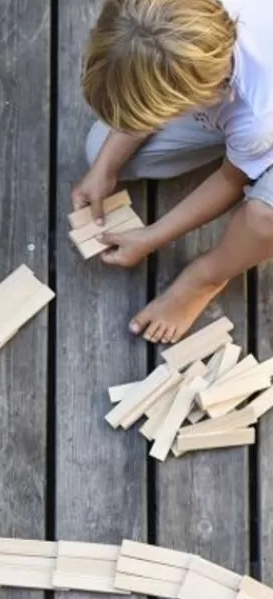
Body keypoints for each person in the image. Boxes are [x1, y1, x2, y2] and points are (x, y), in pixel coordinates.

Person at [73, 0, 273, 343]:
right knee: (99, 149)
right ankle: (237, 144)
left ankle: (206, 277)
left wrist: (152, 236)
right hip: (221, 96)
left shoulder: (257, 114)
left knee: (262, 218)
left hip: (255, 117)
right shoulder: (176, 22)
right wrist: (105, 168)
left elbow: (230, 179)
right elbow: (152, 56)